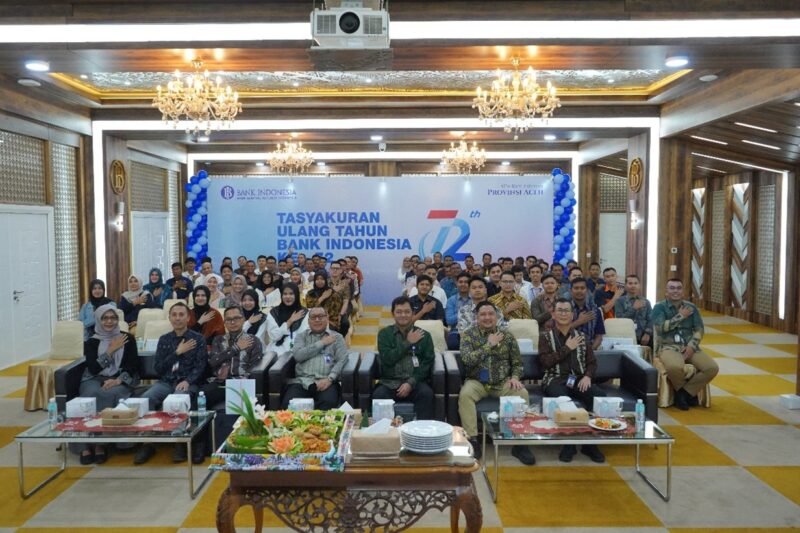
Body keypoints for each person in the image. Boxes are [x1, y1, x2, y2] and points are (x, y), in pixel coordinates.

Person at [458, 301, 533, 464]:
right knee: (465, 395)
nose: (487, 318)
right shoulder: (468, 335)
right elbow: (467, 360)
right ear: (476, 317)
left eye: (490, 314)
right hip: (477, 382)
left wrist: (515, 377)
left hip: (502, 382)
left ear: (497, 316)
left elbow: (518, 363)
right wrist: (488, 345)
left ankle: (519, 442)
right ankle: (473, 440)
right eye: (483, 315)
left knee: (522, 393)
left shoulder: (507, 336)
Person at [134, 302, 208, 465]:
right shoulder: (164, 339)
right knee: (146, 398)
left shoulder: (198, 339)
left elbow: (201, 367)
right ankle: (148, 442)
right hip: (166, 382)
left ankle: (179, 442)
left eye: (181, 315)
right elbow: (158, 368)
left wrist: (188, 381)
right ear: (169, 318)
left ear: (188, 317)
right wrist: (176, 353)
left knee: (178, 399)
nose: (178, 318)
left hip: (188, 383)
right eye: (174, 315)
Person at [539, 298, 606, 463]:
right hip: (554, 379)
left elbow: (592, 362)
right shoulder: (545, 337)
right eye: (559, 310)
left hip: (577, 379)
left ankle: (589, 443)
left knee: (598, 396)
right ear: (553, 314)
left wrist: (588, 376)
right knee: (563, 400)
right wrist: (567, 348)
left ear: (572, 314)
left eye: (566, 310)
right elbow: (545, 363)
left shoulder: (582, 336)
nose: (563, 314)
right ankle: (568, 443)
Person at [79, 304, 139, 464]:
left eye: (113, 318)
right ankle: (85, 445)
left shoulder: (127, 338)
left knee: (111, 393)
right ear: (98, 320)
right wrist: (110, 351)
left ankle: (101, 444)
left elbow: (133, 365)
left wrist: (119, 379)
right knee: (89, 395)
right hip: (94, 378)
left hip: (119, 378)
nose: (109, 321)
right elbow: (93, 368)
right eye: (105, 318)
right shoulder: (91, 342)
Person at [652, 278, 719, 410]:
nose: (675, 291)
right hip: (668, 347)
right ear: (666, 291)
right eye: (672, 288)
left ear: (683, 291)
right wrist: (680, 316)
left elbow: (699, 329)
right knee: (674, 367)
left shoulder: (691, 307)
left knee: (711, 368)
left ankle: (683, 393)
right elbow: (661, 328)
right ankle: (687, 394)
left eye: (678, 288)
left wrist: (691, 346)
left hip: (689, 346)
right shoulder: (659, 307)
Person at [374, 296, 435, 420]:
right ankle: (385, 435)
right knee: (378, 395)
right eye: (399, 312)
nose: (403, 315)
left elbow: (427, 363)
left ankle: (422, 434)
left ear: (413, 313)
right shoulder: (384, 334)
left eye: (407, 312)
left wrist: (410, 382)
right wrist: (408, 342)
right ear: (393, 314)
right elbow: (387, 359)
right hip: (389, 382)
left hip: (415, 382)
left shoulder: (424, 336)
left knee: (427, 394)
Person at [282, 307, 349, 410]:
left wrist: (330, 378)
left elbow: (342, 359)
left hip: (327, 382)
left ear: (327, 318)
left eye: (321, 317)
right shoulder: (301, 337)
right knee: (289, 403)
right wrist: (322, 343)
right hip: (302, 382)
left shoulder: (337, 337)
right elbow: (298, 356)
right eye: (313, 317)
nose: (317, 320)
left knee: (328, 403)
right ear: (308, 321)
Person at [204, 305, 265, 408]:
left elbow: (255, 366)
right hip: (219, 383)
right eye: (229, 319)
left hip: (240, 383)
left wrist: (242, 379)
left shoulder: (253, 340)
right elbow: (212, 362)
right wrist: (235, 348)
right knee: (201, 396)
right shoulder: (218, 340)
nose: (233, 322)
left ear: (243, 319)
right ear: (225, 323)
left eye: (236, 318)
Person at [266, 283, 310, 356]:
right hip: (277, 352)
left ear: (296, 295)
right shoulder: (274, 313)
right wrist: (289, 321)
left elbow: (304, 336)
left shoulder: (304, 312)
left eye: (291, 294)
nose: (288, 297)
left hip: (298, 351)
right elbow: (274, 336)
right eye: (285, 294)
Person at [614, 274, 653, 347]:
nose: (633, 286)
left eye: (636, 283)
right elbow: (620, 320)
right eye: (630, 283)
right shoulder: (619, 301)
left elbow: (651, 319)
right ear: (625, 285)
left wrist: (647, 333)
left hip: (643, 335)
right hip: (625, 335)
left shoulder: (646, 302)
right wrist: (633, 309)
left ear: (639, 285)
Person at [568, 277, 605, 350]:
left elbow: (599, 336)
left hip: (590, 349)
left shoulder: (595, 311)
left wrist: (591, 351)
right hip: (568, 350)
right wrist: (579, 322)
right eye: (576, 288)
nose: (579, 291)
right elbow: (559, 331)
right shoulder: (564, 309)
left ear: (587, 290)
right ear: (570, 291)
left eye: (582, 288)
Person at [305, 271, 346, 336]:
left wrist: (326, 321)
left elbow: (335, 312)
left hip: (330, 322)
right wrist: (323, 297)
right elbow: (310, 309)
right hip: (314, 321)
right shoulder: (310, 294)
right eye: (317, 279)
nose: (319, 281)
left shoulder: (333, 294)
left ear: (326, 280)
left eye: (322, 279)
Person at [445, 272, 472, 349]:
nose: (463, 284)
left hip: (473, 330)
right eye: (460, 282)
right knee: (453, 344)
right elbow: (449, 320)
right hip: (456, 331)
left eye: (466, 282)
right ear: (457, 284)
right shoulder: (451, 300)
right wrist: (464, 311)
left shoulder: (475, 299)